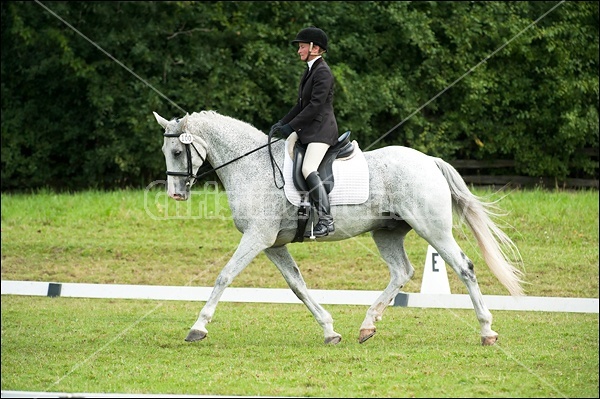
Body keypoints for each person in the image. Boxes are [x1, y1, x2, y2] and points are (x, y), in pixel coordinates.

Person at [270, 26, 339, 238]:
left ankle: (326, 220)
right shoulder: (310, 71)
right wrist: (282, 122)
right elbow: (301, 105)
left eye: (301, 47)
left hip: (321, 131)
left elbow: (315, 106)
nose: (298, 51)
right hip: (309, 129)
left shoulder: (323, 72)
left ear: (314, 48)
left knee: (308, 168)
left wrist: (292, 126)